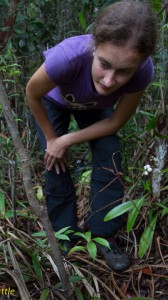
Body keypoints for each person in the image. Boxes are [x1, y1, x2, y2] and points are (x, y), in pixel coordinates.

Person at [26, 1, 157, 272]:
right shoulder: (67, 58)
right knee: (55, 163)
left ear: (140, 63)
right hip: (54, 103)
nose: (109, 81)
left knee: (109, 153)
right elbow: (33, 94)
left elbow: (115, 122)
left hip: (95, 109)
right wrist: (53, 140)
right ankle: (65, 237)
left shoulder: (143, 71)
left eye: (124, 71)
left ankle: (103, 235)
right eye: (104, 64)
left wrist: (68, 140)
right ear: (94, 45)